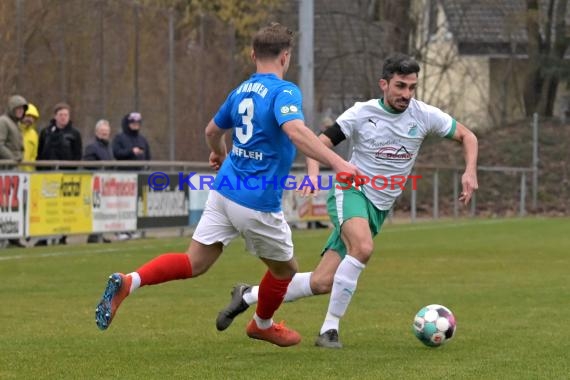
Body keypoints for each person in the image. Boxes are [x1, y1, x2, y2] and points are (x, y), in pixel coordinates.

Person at [94, 22, 360, 347]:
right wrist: (339, 163)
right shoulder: (284, 91)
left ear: (252, 55)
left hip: (223, 190)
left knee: (194, 262)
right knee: (285, 270)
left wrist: (220, 155)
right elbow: (294, 131)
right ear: (286, 57)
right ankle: (262, 323)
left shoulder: (240, 91)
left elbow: (211, 131)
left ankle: (130, 281)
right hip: (256, 201)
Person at [215, 53, 479, 348]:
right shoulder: (361, 113)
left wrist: (469, 171)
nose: (406, 94)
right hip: (351, 192)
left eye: (412, 87)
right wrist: (313, 174)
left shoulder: (425, 115)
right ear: (384, 84)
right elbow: (320, 142)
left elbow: (468, 136)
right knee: (363, 247)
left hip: (379, 207)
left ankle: (247, 294)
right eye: (400, 86)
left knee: (321, 282)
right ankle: (330, 330)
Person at [35, 102, 82, 246]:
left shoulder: (74, 134)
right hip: (47, 176)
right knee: (45, 207)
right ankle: (43, 236)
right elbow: (40, 152)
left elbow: (77, 155)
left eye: (66, 115)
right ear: (55, 116)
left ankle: (62, 235)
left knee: (64, 208)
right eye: (61, 115)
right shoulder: (46, 132)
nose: (63, 118)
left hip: (65, 177)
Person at [112, 112, 151, 240]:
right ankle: (121, 230)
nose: (135, 126)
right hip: (124, 177)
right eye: (133, 123)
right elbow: (116, 153)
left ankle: (133, 229)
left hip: (138, 176)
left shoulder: (142, 139)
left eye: (137, 123)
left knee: (135, 205)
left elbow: (148, 156)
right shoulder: (120, 138)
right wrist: (131, 151)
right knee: (122, 204)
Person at [0, 95, 27, 248]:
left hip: (14, 169)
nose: (20, 111)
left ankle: (13, 235)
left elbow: (19, 147)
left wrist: (20, 157)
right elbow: (0, 144)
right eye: (17, 108)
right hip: (5, 169)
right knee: (4, 203)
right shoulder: (4, 122)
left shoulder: (16, 125)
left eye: (22, 109)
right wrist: (11, 159)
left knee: (14, 203)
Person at [83, 119, 113, 244]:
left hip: (106, 184)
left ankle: (100, 233)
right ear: (96, 132)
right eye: (102, 132)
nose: (104, 134)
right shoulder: (92, 147)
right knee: (96, 209)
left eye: (106, 132)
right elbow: (87, 163)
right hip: (95, 184)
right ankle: (94, 235)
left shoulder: (108, 148)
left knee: (104, 209)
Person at [19, 102, 40, 172]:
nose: (30, 119)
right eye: (28, 116)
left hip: (28, 173)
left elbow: (34, 155)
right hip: (11, 172)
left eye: (33, 117)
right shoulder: (13, 129)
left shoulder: (34, 134)